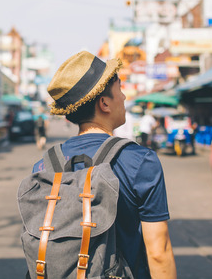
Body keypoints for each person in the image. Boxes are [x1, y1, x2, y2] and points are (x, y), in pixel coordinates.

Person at [32, 51, 176, 278]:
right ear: (104, 103)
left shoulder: (44, 166)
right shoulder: (140, 162)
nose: (125, 97)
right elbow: (159, 252)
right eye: (120, 89)